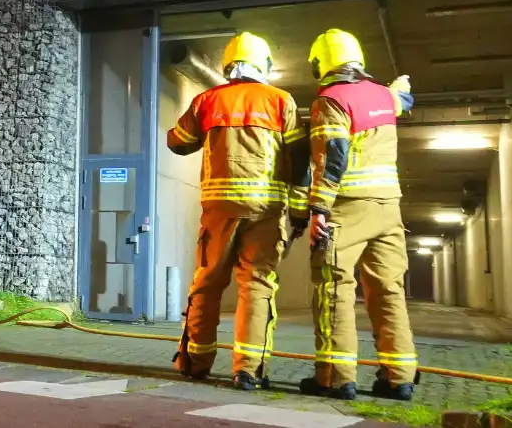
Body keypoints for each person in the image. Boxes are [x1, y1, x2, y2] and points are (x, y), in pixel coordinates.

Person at [167, 32, 311, 391]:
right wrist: (298, 211)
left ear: (229, 65)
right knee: (258, 286)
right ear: (264, 65)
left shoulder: (207, 100)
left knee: (207, 283)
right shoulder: (281, 101)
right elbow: (299, 158)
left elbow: (178, 142)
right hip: (266, 210)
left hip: (220, 210)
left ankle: (195, 363)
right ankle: (248, 370)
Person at [300, 28, 418, 402]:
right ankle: (399, 377)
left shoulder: (331, 101)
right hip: (388, 208)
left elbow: (332, 156)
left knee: (335, 289)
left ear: (321, 63)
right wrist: (399, 88)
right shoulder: (384, 96)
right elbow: (403, 100)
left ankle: (336, 378)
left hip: (348, 208)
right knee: (388, 291)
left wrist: (317, 209)